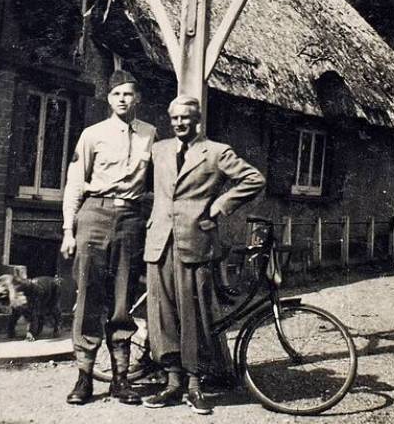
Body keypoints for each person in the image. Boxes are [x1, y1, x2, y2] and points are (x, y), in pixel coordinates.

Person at [143, 95, 265, 415]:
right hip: (159, 242)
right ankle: (172, 382)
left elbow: (254, 179)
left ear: (197, 120)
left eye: (185, 117)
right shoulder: (159, 150)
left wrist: (220, 205)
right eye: (174, 118)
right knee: (162, 314)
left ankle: (195, 386)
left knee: (194, 316)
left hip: (195, 242)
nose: (179, 123)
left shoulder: (216, 152)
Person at [61, 70, 157, 406]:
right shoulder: (93, 134)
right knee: (89, 296)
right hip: (94, 214)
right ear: (108, 98)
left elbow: (156, 183)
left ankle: (121, 379)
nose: (122, 99)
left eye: (128, 94)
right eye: (116, 94)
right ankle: (84, 378)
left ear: (137, 98)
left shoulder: (150, 135)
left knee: (122, 297)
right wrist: (68, 230)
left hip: (130, 219)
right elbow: (75, 183)